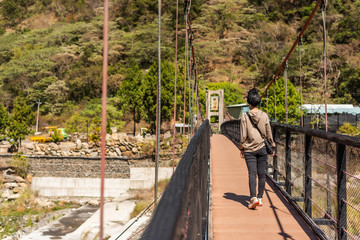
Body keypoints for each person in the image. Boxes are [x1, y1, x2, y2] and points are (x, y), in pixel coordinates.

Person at [240, 88, 275, 209]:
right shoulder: (264, 115)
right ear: (259, 101)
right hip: (262, 148)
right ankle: (260, 198)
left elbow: (243, 135)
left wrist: (241, 147)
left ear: (249, 102)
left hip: (249, 149)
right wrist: (272, 145)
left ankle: (253, 197)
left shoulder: (245, 116)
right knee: (262, 174)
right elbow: (268, 132)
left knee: (252, 173)